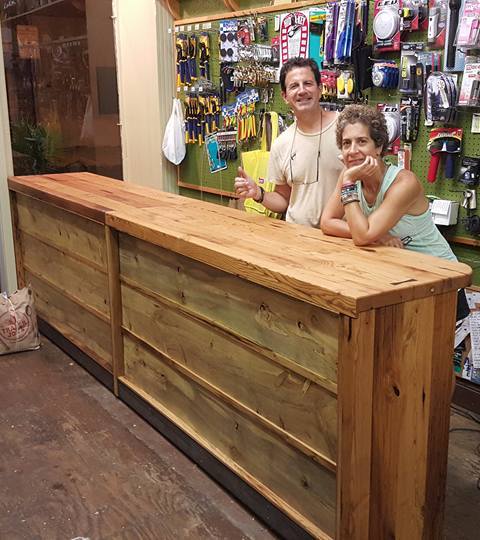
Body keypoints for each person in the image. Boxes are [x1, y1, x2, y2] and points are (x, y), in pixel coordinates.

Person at [320, 103, 470, 321]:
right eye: (346, 143)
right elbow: (327, 222)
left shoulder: (403, 183)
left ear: (379, 146)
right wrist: (379, 237)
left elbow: (362, 236)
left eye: (362, 141)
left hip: (441, 279)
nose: (352, 150)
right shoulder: (349, 176)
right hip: (403, 278)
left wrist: (349, 184)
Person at [234, 57, 344, 228]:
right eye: (294, 86)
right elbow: (283, 199)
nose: (302, 91)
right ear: (285, 97)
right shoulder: (281, 144)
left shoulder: (346, 129)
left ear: (320, 89)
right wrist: (258, 193)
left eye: (307, 83)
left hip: (343, 234)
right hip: (297, 234)